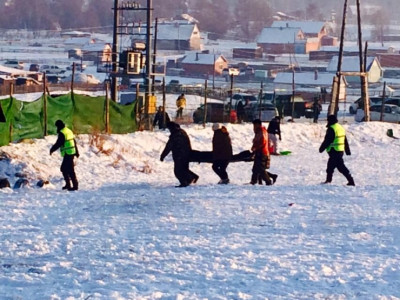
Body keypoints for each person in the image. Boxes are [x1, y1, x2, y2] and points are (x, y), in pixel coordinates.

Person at [319, 115, 355, 186]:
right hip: (340, 150)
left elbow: (328, 140)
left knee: (340, 167)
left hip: (334, 150)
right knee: (332, 166)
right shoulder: (340, 127)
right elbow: (345, 140)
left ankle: (351, 181)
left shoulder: (332, 129)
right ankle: (329, 180)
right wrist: (347, 150)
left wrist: (321, 148)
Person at [160, 122, 199, 187]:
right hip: (186, 153)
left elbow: (169, 146)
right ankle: (192, 178)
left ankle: (185, 181)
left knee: (178, 171)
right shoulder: (182, 132)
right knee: (184, 169)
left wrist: (163, 155)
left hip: (179, 155)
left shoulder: (175, 134)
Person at [50, 120, 79, 191]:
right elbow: (73, 141)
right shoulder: (68, 131)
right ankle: (70, 185)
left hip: (68, 153)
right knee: (67, 169)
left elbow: (59, 143)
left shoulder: (62, 133)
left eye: (56, 126)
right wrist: (76, 152)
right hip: (71, 152)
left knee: (65, 169)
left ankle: (74, 186)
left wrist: (52, 149)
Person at [250, 119, 277, 185]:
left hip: (261, 152)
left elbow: (262, 142)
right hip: (261, 151)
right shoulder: (260, 131)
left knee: (260, 169)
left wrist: (255, 147)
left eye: (254, 125)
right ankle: (254, 181)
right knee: (255, 168)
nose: (253, 127)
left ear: (258, 125)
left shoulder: (261, 132)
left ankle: (268, 181)